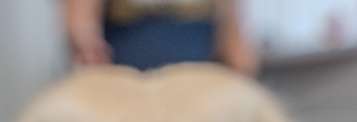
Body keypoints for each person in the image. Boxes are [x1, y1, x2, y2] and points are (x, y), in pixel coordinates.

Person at [61, 0, 258, 75]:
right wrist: (86, 42)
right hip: (125, 89)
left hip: (197, 92)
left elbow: (238, 50)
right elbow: (81, 21)